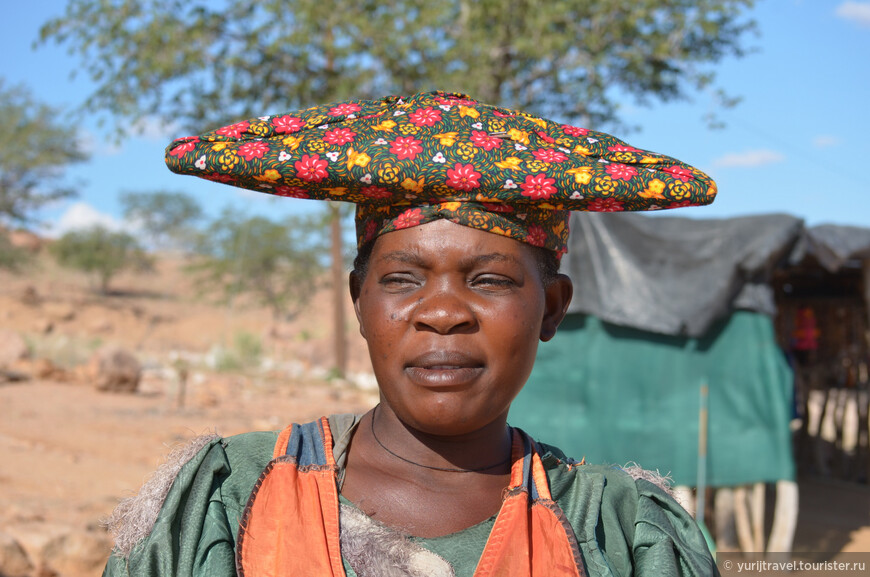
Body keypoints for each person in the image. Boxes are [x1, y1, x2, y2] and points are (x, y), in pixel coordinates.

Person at [103, 91, 720, 577]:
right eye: (402, 280)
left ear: (552, 309)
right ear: (360, 304)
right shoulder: (227, 501)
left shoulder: (619, 532)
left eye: (490, 280)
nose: (443, 312)